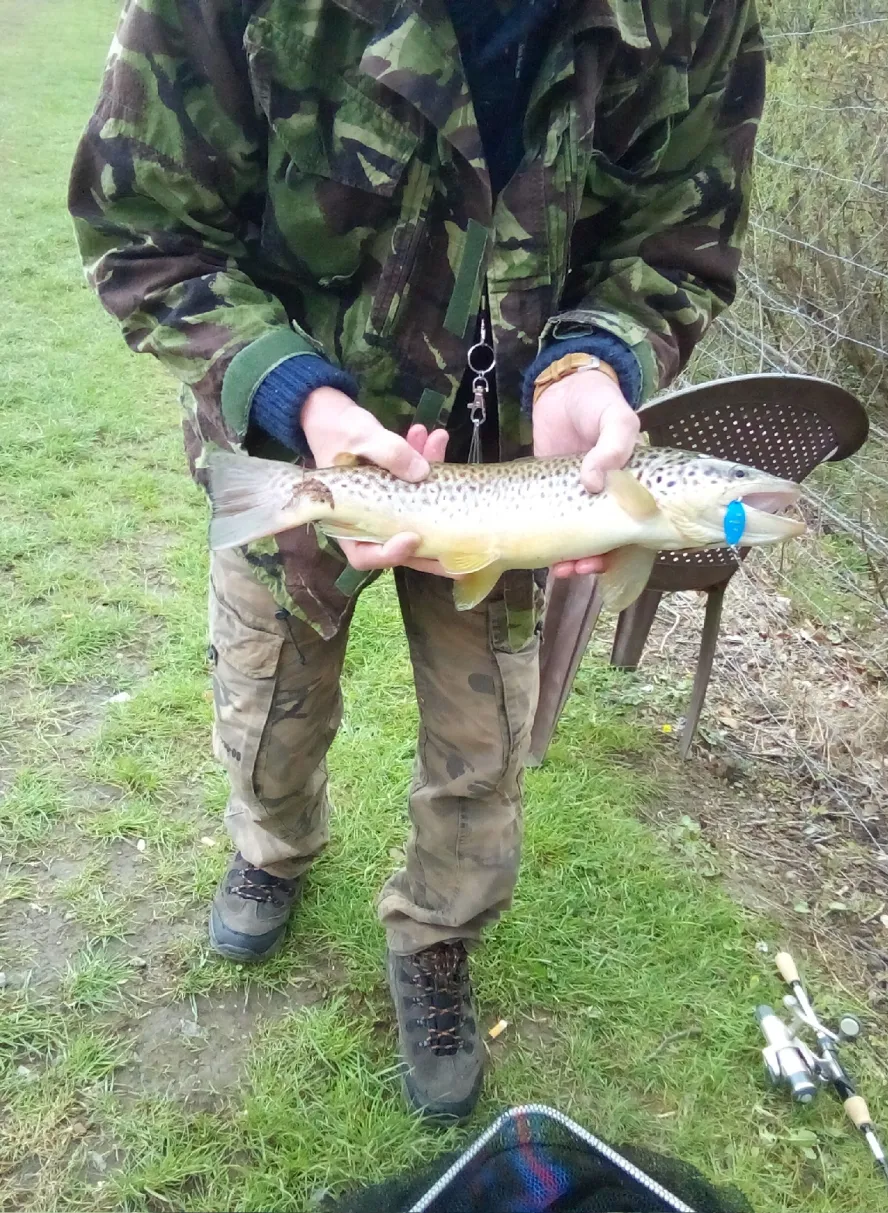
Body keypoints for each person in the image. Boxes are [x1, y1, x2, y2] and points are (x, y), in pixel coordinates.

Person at [69, 0, 764, 1122]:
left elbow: (677, 239)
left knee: (485, 743)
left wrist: (594, 363)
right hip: (297, 438)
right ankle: (273, 849)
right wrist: (298, 398)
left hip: (522, 460)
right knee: (269, 700)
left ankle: (438, 934)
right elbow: (144, 226)